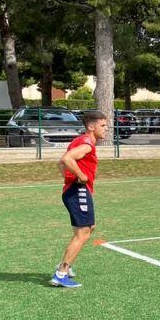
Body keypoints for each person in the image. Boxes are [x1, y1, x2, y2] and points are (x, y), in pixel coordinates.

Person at [51, 110, 110, 288]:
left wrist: (68, 178)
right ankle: (61, 273)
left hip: (74, 189)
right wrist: (80, 176)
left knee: (89, 228)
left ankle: (64, 267)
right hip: (78, 190)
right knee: (83, 232)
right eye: (103, 126)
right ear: (91, 127)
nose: (106, 129)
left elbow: (60, 163)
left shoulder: (81, 141)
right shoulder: (87, 144)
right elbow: (66, 159)